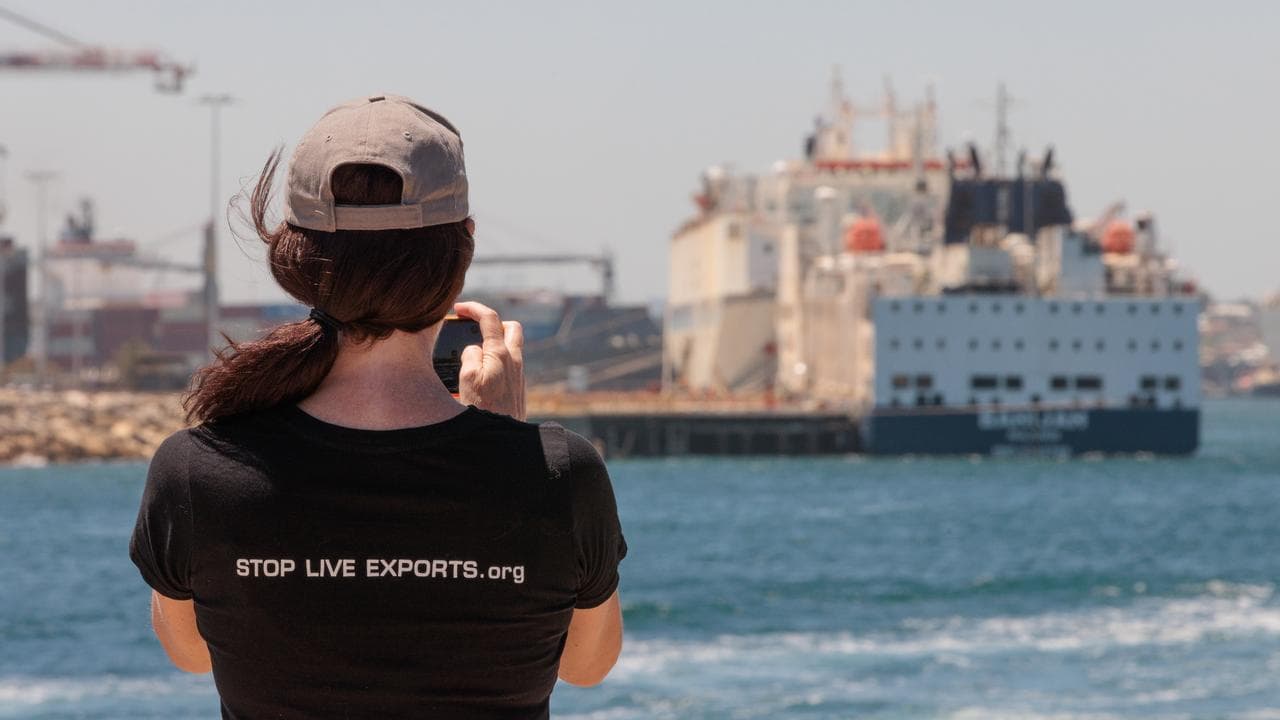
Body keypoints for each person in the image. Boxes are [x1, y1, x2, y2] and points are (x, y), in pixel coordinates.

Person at [129, 94, 627, 719]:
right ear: (462, 250)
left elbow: (193, 653)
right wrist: (501, 443)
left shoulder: (197, 472)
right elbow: (586, 665)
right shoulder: (562, 476)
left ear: (297, 256)